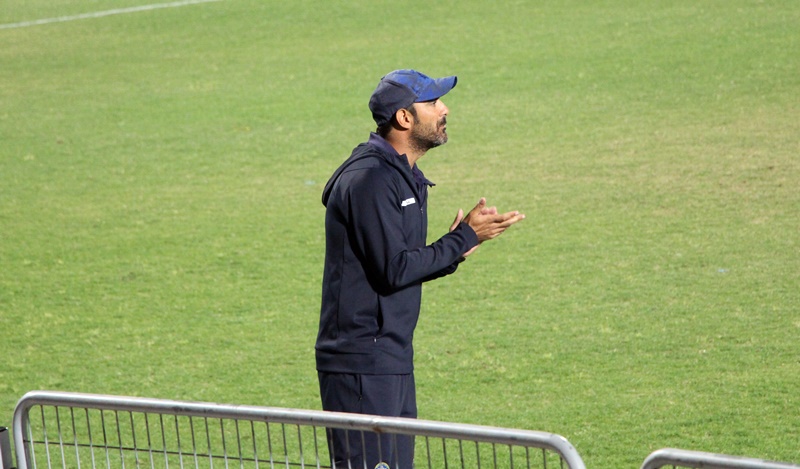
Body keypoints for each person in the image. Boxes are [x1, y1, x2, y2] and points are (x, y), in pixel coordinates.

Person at [316, 69, 525, 469]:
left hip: (389, 357)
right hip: (362, 363)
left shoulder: (403, 175)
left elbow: (399, 264)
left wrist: (459, 248)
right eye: (432, 103)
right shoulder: (371, 180)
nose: (445, 109)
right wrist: (461, 239)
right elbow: (394, 269)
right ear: (404, 118)